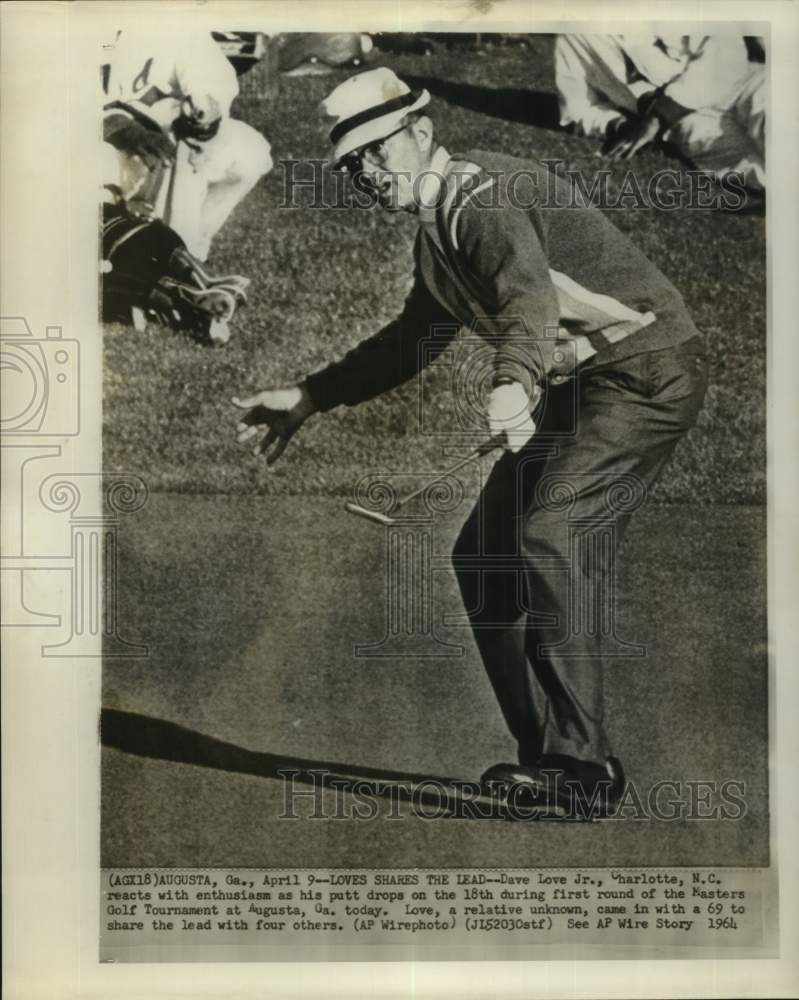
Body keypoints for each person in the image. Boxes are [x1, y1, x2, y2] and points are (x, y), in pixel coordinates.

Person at [233, 68, 708, 816]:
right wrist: (311, 395)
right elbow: (410, 344)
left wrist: (512, 382)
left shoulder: (480, 200)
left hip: (644, 373)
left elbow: (528, 299)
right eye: (350, 163)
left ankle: (578, 768)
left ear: (420, 132)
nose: (364, 173)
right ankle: (546, 760)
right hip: (585, 384)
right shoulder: (437, 235)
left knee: (553, 533)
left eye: (375, 151)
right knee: (483, 554)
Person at [103, 28, 273, 262]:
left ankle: (185, 258)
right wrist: (127, 131)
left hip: (159, 143)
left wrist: (204, 113)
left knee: (248, 152)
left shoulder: (175, 22)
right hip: (100, 149)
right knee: (170, 155)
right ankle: (170, 264)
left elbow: (205, 76)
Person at [555, 34, 765, 191]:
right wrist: (620, 125)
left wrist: (659, 116)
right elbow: (577, 110)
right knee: (760, 173)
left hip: (740, 81)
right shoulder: (573, 37)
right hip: (689, 123)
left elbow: (728, 47)